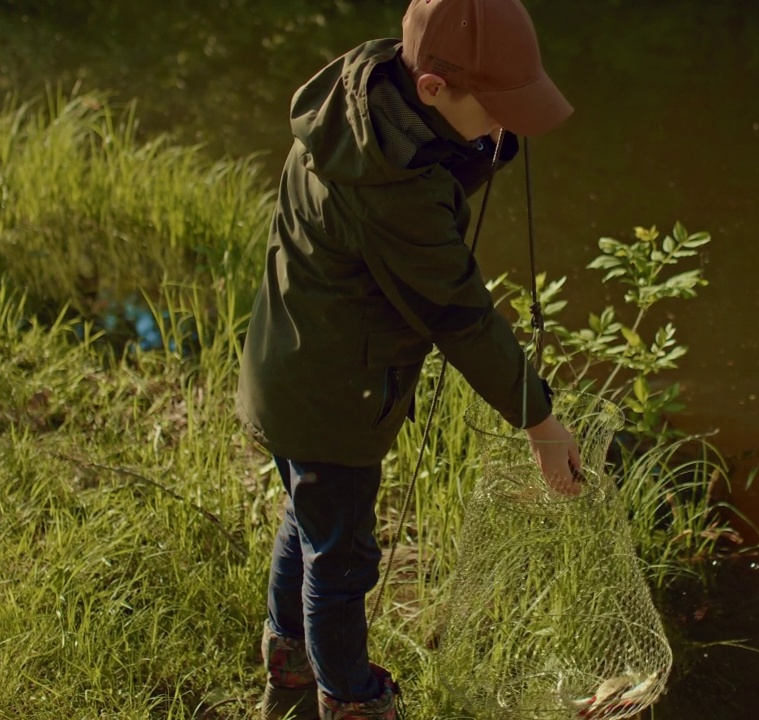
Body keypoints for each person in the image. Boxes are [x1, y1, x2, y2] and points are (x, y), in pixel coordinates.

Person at [235, 0, 580, 717]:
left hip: (288, 365)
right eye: (498, 108)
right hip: (333, 395)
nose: (508, 126)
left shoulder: (363, 102)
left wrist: (484, 132)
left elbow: (437, 167)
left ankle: (286, 653)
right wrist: (541, 423)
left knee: (309, 520)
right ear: (432, 88)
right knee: (343, 559)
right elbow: (460, 316)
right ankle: (350, 698)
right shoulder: (394, 191)